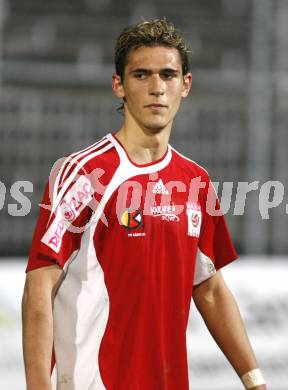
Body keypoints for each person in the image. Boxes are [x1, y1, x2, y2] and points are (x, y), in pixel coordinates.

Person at [22, 18, 267, 390]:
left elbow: (211, 288)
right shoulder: (83, 173)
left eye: (168, 75)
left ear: (185, 85)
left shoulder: (195, 181)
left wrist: (255, 381)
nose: (156, 88)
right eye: (141, 75)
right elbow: (39, 288)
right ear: (118, 85)